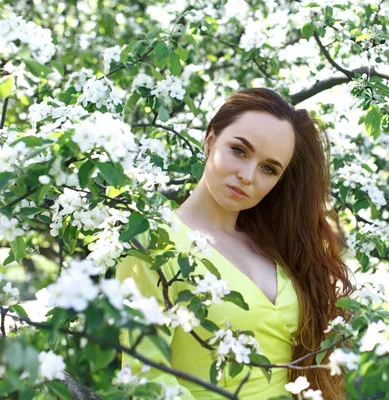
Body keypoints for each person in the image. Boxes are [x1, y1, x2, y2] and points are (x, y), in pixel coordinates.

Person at [116, 88, 354, 399]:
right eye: (239, 151)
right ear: (210, 139)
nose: (247, 175)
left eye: (269, 169)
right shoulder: (152, 242)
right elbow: (146, 380)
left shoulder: (273, 246)